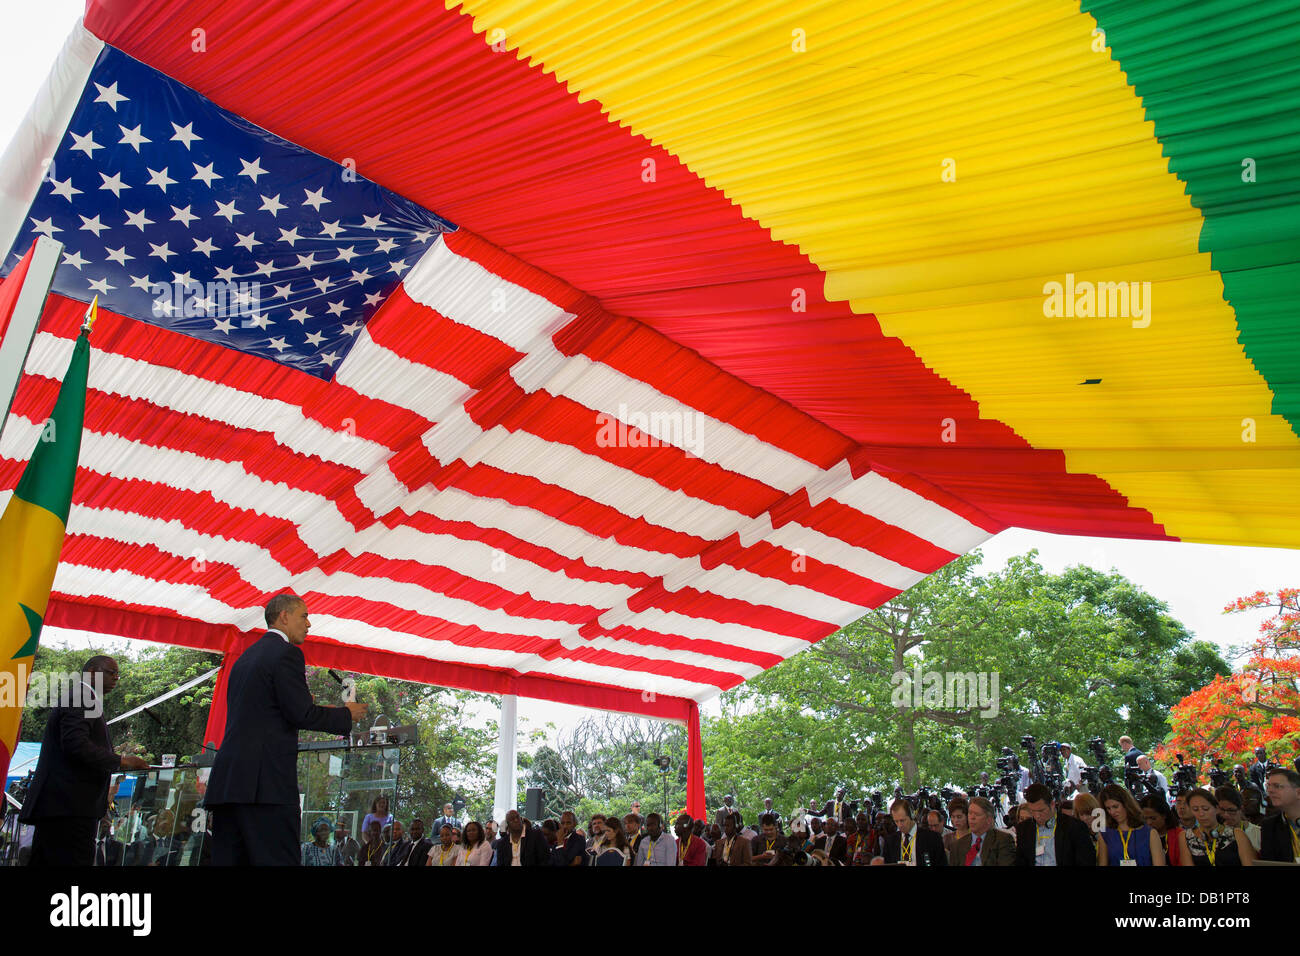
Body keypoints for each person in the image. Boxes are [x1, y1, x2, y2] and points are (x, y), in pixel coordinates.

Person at [205, 594, 366, 865]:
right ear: (284, 616)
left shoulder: (244, 659)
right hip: (264, 785)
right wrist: (345, 715)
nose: (309, 623)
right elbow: (301, 712)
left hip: (228, 784)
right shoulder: (287, 653)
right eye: (303, 615)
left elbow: (269, 711)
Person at [20, 656, 151, 866]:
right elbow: (75, 745)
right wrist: (122, 761)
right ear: (91, 671)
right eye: (110, 672)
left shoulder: (85, 698)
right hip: (68, 808)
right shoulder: (80, 698)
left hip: (66, 807)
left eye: (118, 674)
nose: (116, 678)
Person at [1015, 784, 1096, 866]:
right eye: (1032, 811)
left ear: (1052, 804)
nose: (1037, 816)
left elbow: (1086, 861)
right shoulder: (1023, 829)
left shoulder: (1074, 827)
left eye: (1041, 811)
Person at [1177, 788, 1256, 867]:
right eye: (1195, 809)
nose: (1201, 814)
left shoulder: (1237, 835)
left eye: (1205, 809)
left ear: (1216, 808)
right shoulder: (1185, 837)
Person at [1096, 785, 1165, 866]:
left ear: (1126, 804)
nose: (1112, 812)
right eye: (1108, 808)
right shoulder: (1105, 834)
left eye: (1115, 806)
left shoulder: (1150, 833)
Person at [949, 796, 1015, 866]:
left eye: (976, 814)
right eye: (970, 813)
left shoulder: (1002, 840)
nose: (972, 818)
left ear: (989, 819)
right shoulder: (957, 846)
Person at [883, 799, 946, 866]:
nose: (900, 825)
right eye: (896, 821)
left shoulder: (932, 838)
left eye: (902, 820)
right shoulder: (890, 841)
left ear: (912, 815)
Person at [1258, 768, 1300, 863]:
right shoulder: (1269, 826)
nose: (1270, 791)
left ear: (1298, 793)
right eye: (1268, 786)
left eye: (1277, 786)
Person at [1214, 786, 1261, 852]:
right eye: (1222, 810)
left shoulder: (1257, 833)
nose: (1226, 815)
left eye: (1231, 810)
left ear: (1241, 809)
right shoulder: (1216, 834)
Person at [1139, 794, 1183, 866]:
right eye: (1145, 819)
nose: (1149, 823)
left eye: (1153, 818)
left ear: (1164, 815)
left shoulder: (1179, 835)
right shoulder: (1139, 836)